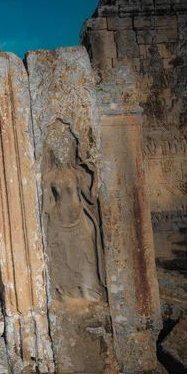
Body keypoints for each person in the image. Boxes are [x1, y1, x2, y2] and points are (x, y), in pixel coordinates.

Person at [42, 121, 104, 301]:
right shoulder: (48, 177)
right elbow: (47, 206)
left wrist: (96, 174)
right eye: (58, 149)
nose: (62, 154)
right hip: (59, 221)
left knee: (86, 256)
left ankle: (88, 289)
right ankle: (65, 292)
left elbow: (91, 198)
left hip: (79, 220)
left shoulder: (77, 174)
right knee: (62, 257)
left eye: (65, 149)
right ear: (52, 152)